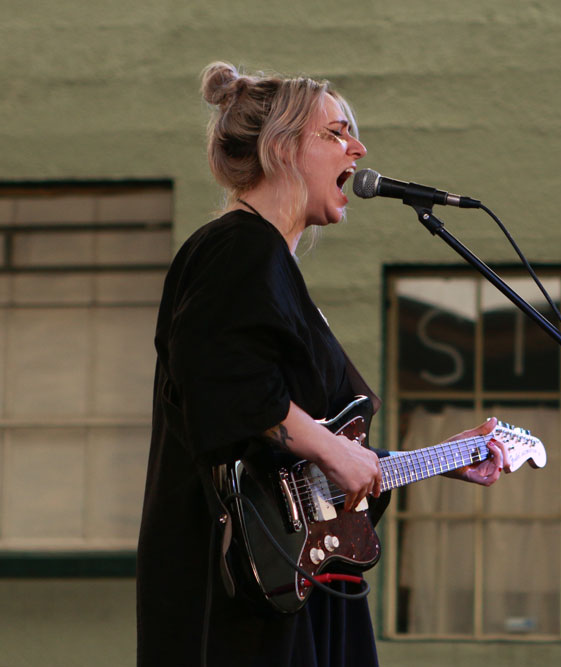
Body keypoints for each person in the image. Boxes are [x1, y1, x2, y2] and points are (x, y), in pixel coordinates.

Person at [136, 62, 510, 667]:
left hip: (296, 578)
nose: (358, 147)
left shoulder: (267, 262)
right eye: (335, 133)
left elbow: (294, 465)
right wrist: (333, 450)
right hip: (246, 594)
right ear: (280, 148)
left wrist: (439, 459)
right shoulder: (236, 247)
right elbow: (222, 385)